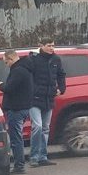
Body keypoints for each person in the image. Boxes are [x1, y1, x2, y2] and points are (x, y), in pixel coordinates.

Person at [27, 37, 66, 167]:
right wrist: (32, 90)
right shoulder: (33, 59)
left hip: (48, 98)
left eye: (53, 45)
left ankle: (42, 157)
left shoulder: (56, 59)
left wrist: (62, 88)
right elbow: (28, 76)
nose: (51, 48)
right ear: (41, 46)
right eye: (49, 45)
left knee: (45, 128)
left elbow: (61, 74)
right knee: (37, 126)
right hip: (34, 98)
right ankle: (33, 157)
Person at [0, 50, 33, 174]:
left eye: (6, 62)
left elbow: (10, 88)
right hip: (22, 107)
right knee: (17, 137)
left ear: (11, 59)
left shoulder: (18, 71)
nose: (6, 65)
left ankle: (19, 165)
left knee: (16, 139)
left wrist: (0, 86)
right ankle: (19, 164)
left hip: (16, 108)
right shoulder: (24, 69)